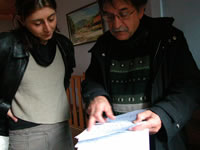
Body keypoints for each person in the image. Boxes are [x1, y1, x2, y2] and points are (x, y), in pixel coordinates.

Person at [81, 0, 200, 150]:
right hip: (116, 139)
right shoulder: (103, 44)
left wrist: (163, 114)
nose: (116, 25)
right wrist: (97, 96)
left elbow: (190, 85)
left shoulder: (168, 37)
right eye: (109, 16)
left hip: (160, 141)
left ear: (140, 10)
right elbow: (92, 80)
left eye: (123, 14)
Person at [0, 0, 75, 149]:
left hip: (62, 128)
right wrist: (1, 105)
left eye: (51, 18)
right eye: (37, 23)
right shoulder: (7, 44)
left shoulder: (64, 44)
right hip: (25, 132)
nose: (48, 28)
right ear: (22, 20)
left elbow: (64, 80)